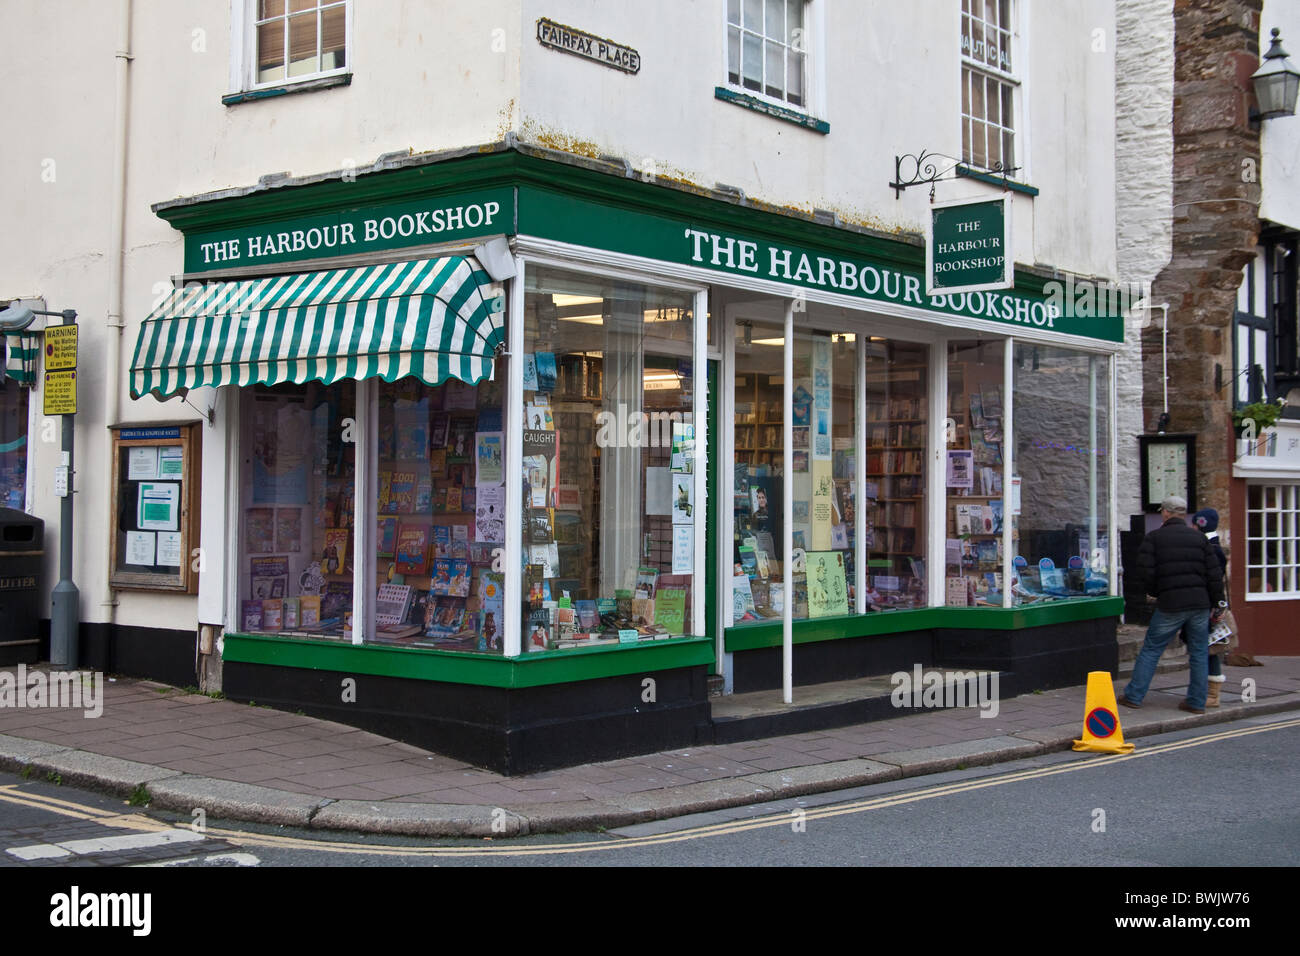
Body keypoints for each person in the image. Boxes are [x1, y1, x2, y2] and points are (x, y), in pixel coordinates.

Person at [1119, 495, 1226, 714]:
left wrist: (1156, 592)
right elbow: (1214, 574)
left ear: (1166, 513)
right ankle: (1196, 702)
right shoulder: (1200, 539)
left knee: (1151, 649)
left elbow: (1144, 571)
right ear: (1183, 514)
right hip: (1199, 604)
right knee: (1198, 652)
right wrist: (1218, 603)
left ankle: (1134, 695)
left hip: (1171, 604)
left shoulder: (1154, 538)